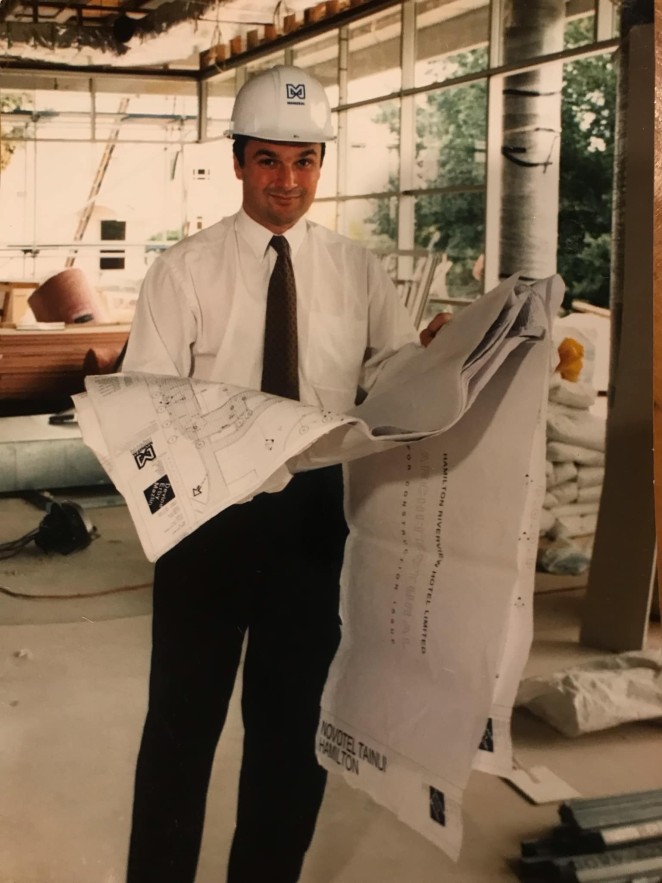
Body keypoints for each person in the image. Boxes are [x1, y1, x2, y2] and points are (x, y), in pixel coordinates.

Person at [122, 64, 447, 883]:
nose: (288, 181)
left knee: (290, 730)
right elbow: (145, 405)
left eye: (305, 162)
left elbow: (396, 380)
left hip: (313, 525)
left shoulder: (358, 271)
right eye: (269, 160)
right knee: (181, 729)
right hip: (209, 519)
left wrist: (444, 358)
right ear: (237, 162)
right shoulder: (183, 271)